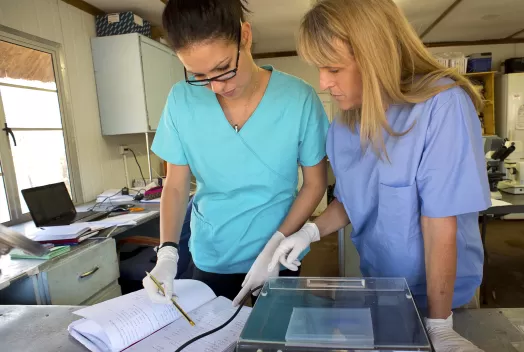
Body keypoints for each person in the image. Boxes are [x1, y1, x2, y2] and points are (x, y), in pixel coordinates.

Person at [268, 0, 491, 351]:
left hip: (446, 301)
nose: (323, 83)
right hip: (383, 290)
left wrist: (440, 323)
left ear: (375, 56)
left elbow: (439, 223)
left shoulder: (441, 105)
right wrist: (310, 231)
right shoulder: (344, 125)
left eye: (334, 69)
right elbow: (352, 201)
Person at [143, 0, 329, 307]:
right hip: (211, 253)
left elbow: (314, 184)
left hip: (278, 254)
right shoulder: (180, 100)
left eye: (223, 68)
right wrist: (167, 252)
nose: (215, 87)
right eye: (199, 75)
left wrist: (275, 245)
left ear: (245, 35)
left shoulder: (298, 99)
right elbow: (175, 185)